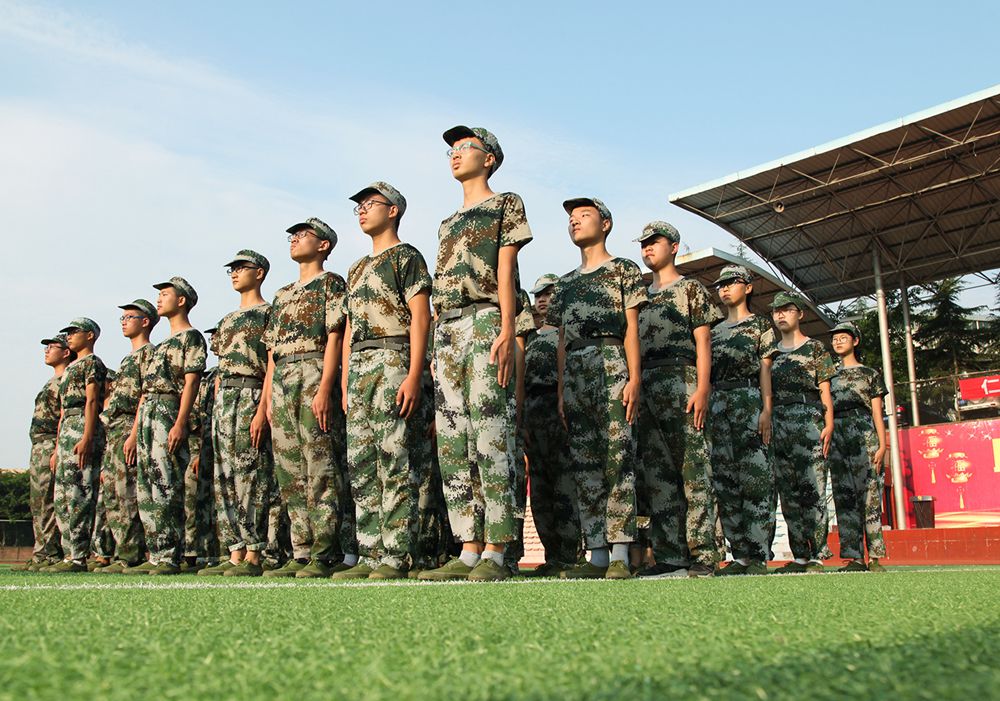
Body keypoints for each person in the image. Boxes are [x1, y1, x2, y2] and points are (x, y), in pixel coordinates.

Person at [419, 125, 531, 583]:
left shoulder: (506, 203)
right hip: (448, 329)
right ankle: (468, 546)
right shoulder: (447, 223)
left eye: (466, 147)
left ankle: (498, 549)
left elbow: (506, 269)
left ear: (489, 158)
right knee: (453, 439)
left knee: (490, 432)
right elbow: (438, 290)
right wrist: (434, 345)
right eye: (451, 148)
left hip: (485, 318)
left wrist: (507, 326)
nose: (455, 153)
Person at [335, 182, 432, 581]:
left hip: (393, 357)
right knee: (361, 462)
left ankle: (396, 553)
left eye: (370, 203)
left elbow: (421, 316)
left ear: (393, 211)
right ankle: (370, 551)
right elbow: (347, 328)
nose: (361, 210)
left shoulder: (407, 257)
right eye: (358, 205)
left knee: (394, 456)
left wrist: (414, 373)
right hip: (359, 364)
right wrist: (344, 382)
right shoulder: (356, 268)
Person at [548, 197, 644, 580]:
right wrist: (561, 390)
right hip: (575, 369)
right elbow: (561, 340)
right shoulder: (565, 283)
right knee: (584, 461)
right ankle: (598, 553)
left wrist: (634, 378)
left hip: (611, 360)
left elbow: (632, 328)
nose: (575, 221)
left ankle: (621, 551)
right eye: (572, 217)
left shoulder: (623, 269)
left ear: (605, 224)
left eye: (584, 215)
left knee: (617, 455)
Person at [262, 218, 352, 579]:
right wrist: (267, 399)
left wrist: (327, 387)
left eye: (303, 235)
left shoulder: (331, 284)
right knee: (289, 470)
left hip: (313, 370)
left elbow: (334, 337)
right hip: (283, 378)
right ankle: (300, 550)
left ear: (324, 245)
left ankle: (324, 550)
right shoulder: (281, 295)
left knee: (320, 464)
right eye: (293, 235)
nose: (294, 239)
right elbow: (272, 353)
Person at [635, 222, 723, 578]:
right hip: (647, 384)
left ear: (674, 246)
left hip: (682, 379)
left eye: (654, 242)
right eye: (643, 244)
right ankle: (669, 553)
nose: (647, 248)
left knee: (694, 469)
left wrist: (702, 388)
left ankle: (703, 553)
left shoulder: (691, 288)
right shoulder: (639, 295)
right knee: (657, 473)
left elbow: (704, 341)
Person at [198, 251, 275, 578]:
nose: (234, 272)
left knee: (250, 473)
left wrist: (263, 409)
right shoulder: (227, 320)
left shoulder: (268, 313)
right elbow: (220, 368)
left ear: (259, 273)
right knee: (224, 475)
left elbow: (271, 363)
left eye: (241, 267)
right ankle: (234, 550)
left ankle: (255, 551)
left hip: (251, 393)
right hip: (225, 399)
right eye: (232, 268)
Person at [125, 277, 206, 575]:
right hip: (148, 413)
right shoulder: (159, 347)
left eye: (165, 294)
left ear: (181, 300)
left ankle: (171, 554)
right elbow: (144, 392)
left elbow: (191, 382)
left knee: (166, 482)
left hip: (169, 410)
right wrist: (133, 433)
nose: (159, 299)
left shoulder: (191, 338)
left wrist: (181, 422)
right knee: (146, 485)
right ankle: (156, 552)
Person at [708, 265, 776, 577]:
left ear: (748, 287)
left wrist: (766, 410)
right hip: (719, 405)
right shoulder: (713, 331)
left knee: (756, 480)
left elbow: (765, 370)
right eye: (720, 285)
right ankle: (740, 555)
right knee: (725, 482)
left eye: (731, 283)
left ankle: (759, 553)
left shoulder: (759, 325)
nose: (724, 289)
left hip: (749, 402)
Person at [767, 292, 836, 574]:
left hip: (809, 422)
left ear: (800, 314)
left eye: (787, 309)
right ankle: (800, 556)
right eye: (776, 311)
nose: (781, 315)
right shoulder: (770, 354)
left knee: (814, 489)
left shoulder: (815, 348)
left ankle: (818, 553)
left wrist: (829, 424)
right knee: (789, 495)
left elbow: (825, 389)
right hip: (779, 424)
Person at [522, 274, 581, 576]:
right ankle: (552, 554)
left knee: (565, 485)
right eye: (538, 295)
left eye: (548, 294)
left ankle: (570, 554)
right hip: (533, 411)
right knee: (540, 488)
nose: (542, 300)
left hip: (559, 408)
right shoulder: (529, 338)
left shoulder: (566, 335)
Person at [93, 300, 158, 574]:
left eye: (129, 316)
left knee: (127, 492)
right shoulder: (127, 358)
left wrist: (133, 435)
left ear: (145, 321)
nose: (123, 321)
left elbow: (145, 394)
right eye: (122, 317)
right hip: (115, 428)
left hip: (131, 424)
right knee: (112, 494)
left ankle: (131, 554)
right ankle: (122, 551)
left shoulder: (149, 353)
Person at [42, 318, 107, 573]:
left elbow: (91, 401)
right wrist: (57, 448)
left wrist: (88, 436)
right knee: (62, 496)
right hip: (67, 428)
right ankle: (68, 552)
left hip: (82, 424)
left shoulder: (92, 363)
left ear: (89, 335)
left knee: (80, 492)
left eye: (74, 331)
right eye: (67, 332)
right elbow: (62, 411)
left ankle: (79, 555)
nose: (69, 336)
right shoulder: (70, 369)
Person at [828, 321, 888, 573]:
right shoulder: (828, 374)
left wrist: (882, 445)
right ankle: (853, 557)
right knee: (844, 496)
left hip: (864, 434)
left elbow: (877, 412)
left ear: (855, 341)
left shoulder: (869, 374)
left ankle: (875, 556)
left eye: (843, 337)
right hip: (837, 434)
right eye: (834, 338)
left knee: (870, 495)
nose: (838, 341)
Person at [13, 334, 74, 571]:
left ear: (66, 352)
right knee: (38, 502)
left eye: (52, 347)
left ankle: (50, 553)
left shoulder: (67, 380)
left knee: (49, 500)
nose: (46, 350)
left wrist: (57, 449)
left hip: (51, 443)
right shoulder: (52, 381)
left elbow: (64, 418)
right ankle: (41, 551)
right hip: (39, 446)